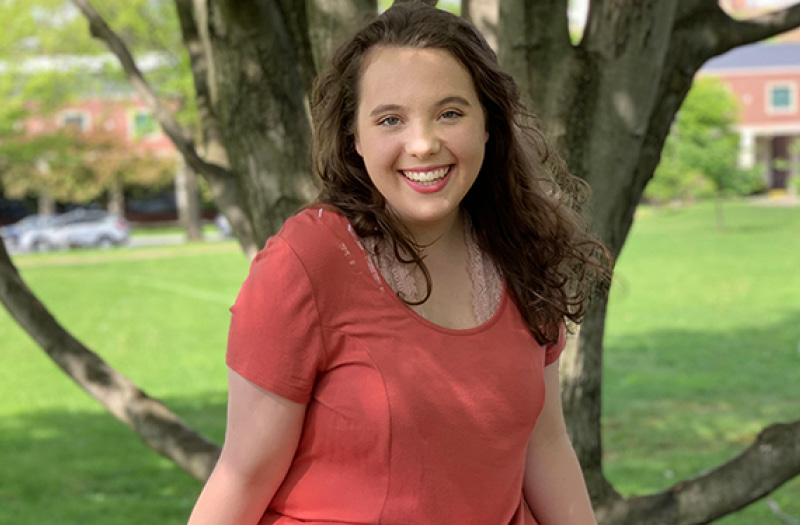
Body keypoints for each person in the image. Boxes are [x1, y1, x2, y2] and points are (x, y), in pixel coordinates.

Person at [189, 3, 611, 524]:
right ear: (355, 138)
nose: (423, 144)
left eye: (450, 113)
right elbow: (242, 476)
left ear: (487, 125)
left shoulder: (519, 250)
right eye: (390, 119)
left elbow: (545, 447)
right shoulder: (308, 262)